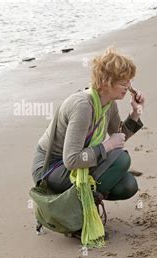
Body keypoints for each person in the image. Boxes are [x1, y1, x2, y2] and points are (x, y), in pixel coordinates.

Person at [30, 47, 145, 245]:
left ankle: (83, 205)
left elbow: (119, 136)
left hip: (71, 165)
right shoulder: (83, 106)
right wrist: (107, 146)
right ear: (105, 82)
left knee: (128, 185)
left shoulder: (108, 103)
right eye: (123, 82)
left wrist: (135, 115)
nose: (128, 86)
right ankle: (77, 220)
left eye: (129, 81)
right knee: (121, 158)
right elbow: (72, 159)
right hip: (51, 169)